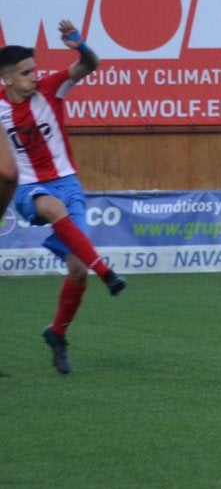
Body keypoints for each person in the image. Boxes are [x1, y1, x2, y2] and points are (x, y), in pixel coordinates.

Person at [0, 21, 127, 375]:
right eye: (25, 73)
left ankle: (57, 333)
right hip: (28, 189)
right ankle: (108, 274)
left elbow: (90, 65)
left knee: (76, 271)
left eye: (34, 69)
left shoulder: (51, 88)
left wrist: (80, 46)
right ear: (7, 79)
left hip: (68, 184)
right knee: (53, 210)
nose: (33, 77)